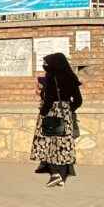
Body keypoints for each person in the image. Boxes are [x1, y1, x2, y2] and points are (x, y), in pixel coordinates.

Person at [30, 53, 82, 187]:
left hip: (51, 114)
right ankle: (62, 175)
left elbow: (48, 99)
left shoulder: (51, 77)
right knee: (63, 145)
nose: (45, 66)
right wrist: (67, 109)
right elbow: (78, 101)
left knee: (49, 144)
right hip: (65, 115)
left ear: (55, 64)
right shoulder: (71, 77)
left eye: (47, 63)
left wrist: (43, 112)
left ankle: (55, 175)